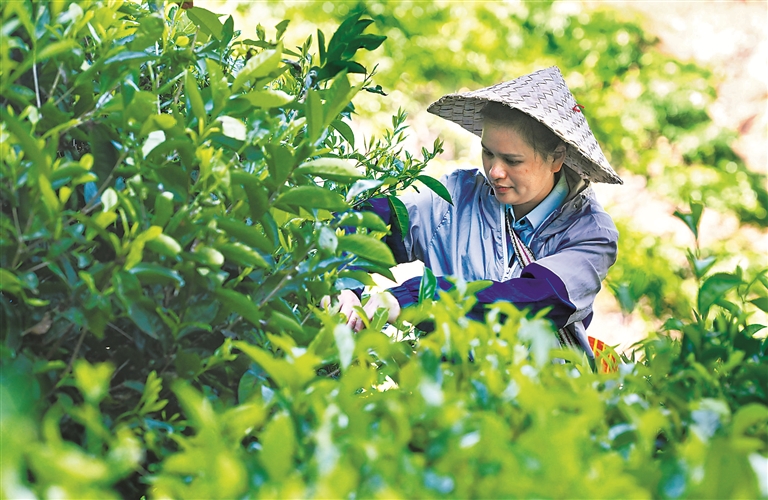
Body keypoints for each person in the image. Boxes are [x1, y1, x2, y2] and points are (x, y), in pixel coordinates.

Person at [335, 66, 622, 363]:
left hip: (539, 400)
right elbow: (368, 225)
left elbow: (535, 299)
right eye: (488, 153)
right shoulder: (457, 197)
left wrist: (420, 297)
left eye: (512, 160)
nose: (495, 172)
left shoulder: (590, 233)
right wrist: (344, 285)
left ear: (556, 158)